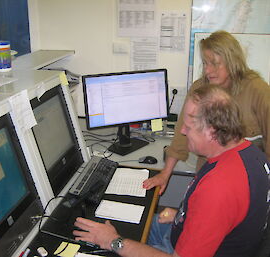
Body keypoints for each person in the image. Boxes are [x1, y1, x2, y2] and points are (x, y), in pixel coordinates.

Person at [73, 85, 270, 257]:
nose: (182, 131)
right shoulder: (251, 153)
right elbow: (229, 216)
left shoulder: (218, 187)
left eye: (188, 126)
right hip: (189, 232)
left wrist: (113, 241)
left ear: (212, 131)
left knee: (101, 242)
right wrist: (185, 215)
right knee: (129, 224)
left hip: (181, 250)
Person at [143, 30, 270, 195]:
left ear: (232, 61)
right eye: (205, 63)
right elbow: (181, 134)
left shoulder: (258, 91)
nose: (208, 71)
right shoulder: (200, 88)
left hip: (245, 181)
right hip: (208, 174)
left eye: (215, 63)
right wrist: (165, 174)